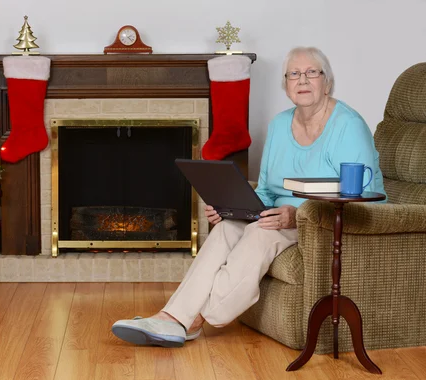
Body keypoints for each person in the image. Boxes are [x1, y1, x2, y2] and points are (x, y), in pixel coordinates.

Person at [111, 46, 387, 347]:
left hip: (322, 220)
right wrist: (233, 207)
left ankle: (193, 319)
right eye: (294, 74)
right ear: (286, 85)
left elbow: (362, 195)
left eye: (312, 73)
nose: (303, 80)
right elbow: (267, 189)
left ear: (327, 82)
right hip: (275, 216)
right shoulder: (280, 124)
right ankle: (174, 316)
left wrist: (296, 215)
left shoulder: (348, 125)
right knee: (227, 228)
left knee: (260, 234)